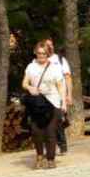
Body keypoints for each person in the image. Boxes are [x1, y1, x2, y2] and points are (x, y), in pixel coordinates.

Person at [22, 41, 67, 169]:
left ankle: (51, 159)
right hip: (37, 103)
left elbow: (60, 86)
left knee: (50, 131)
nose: (41, 56)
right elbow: (24, 83)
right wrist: (30, 88)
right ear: (35, 53)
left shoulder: (55, 68)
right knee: (36, 131)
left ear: (48, 54)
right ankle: (39, 156)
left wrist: (63, 102)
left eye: (44, 54)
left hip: (53, 102)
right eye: (39, 53)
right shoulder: (31, 67)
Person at [45, 38, 72, 155]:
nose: (50, 47)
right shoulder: (40, 61)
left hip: (60, 95)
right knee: (47, 121)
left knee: (58, 120)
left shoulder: (60, 60)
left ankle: (62, 145)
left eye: (51, 45)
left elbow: (68, 78)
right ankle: (52, 145)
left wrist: (69, 95)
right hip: (46, 96)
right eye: (47, 45)